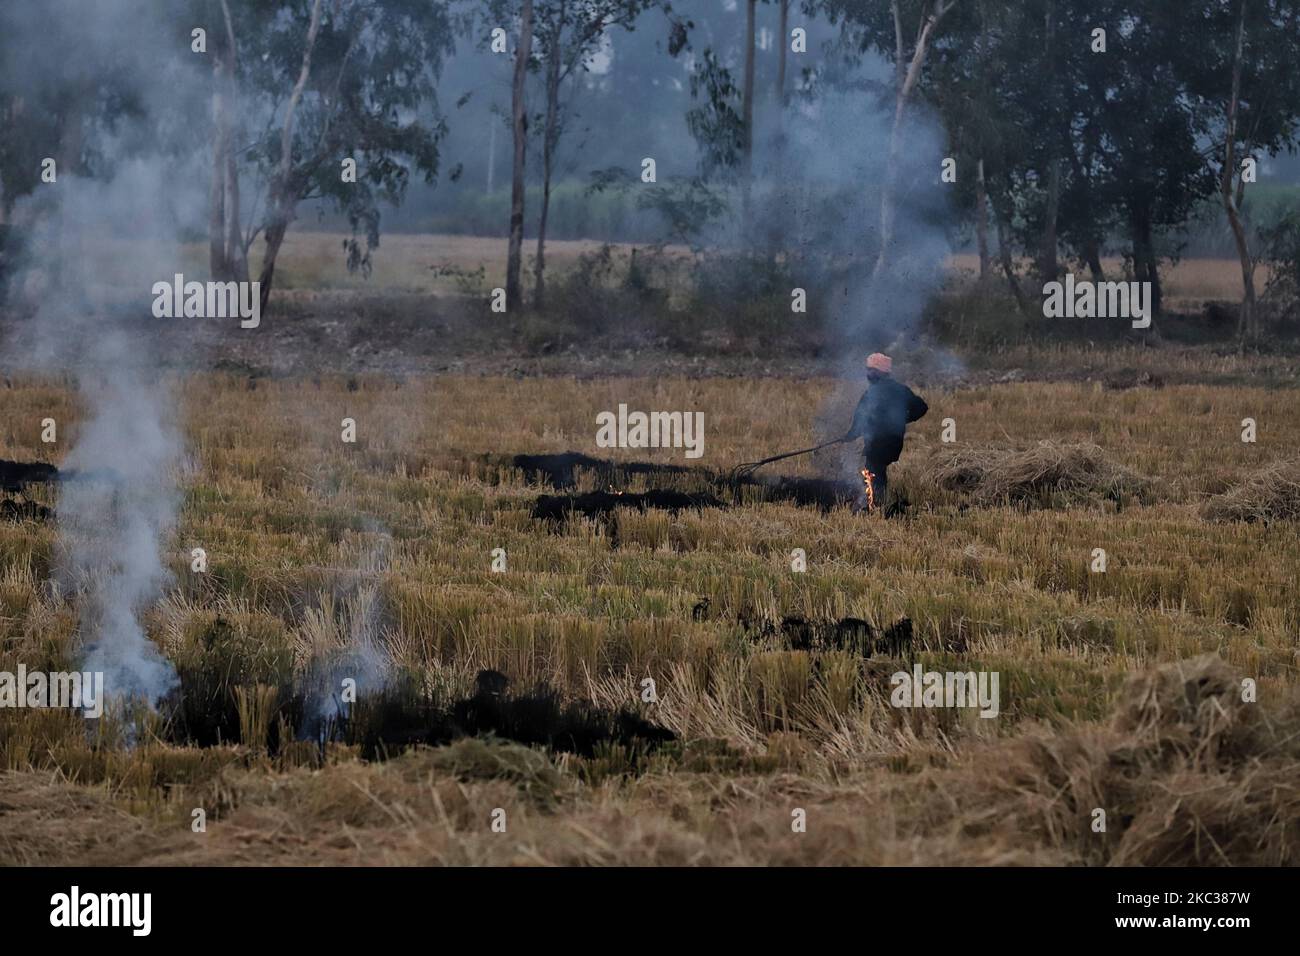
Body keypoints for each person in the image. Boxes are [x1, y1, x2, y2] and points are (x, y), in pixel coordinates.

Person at [845, 353, 928, 513]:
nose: (868, 373)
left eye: (871, 370)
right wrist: (903, 419)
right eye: (867, 369)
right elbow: (921, 407)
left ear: (881, 371)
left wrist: (852, 434)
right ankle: (874, 501)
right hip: (894, 442)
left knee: (874, 470)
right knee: (876, 469)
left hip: (879, 442)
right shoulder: (901, 390)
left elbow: (860, 417)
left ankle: (875, 505)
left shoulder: (872, 393)